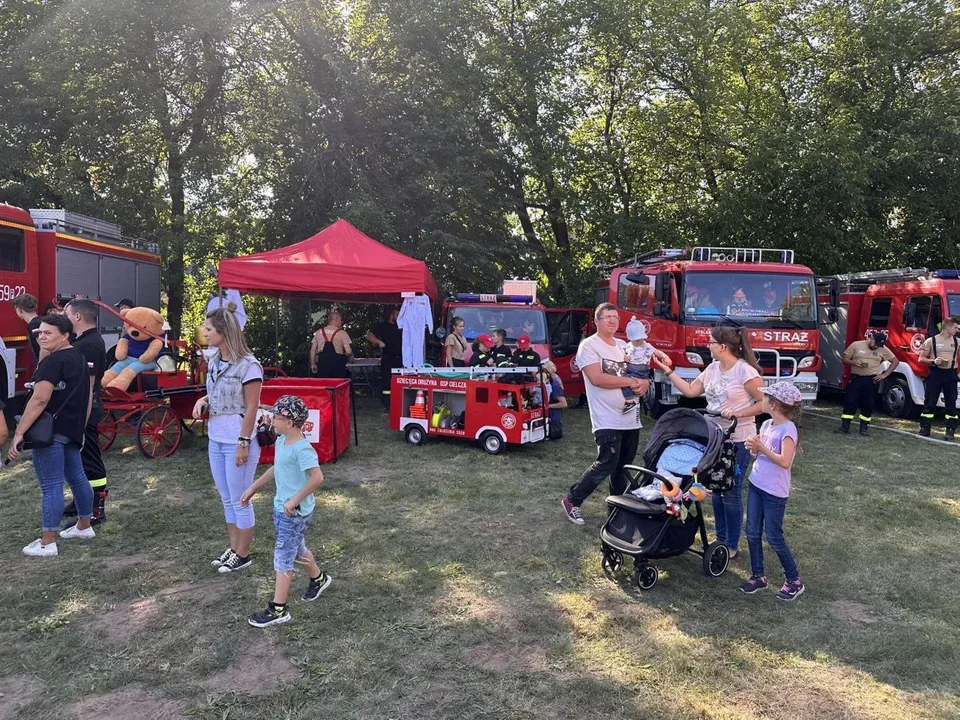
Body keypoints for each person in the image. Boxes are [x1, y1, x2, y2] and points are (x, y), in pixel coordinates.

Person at [653, 324, 764, 558]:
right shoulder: (713, 368)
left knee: (730, 492)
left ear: (723, 347)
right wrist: (669, 372)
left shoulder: (746, 372)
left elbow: (765, 403)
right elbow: (692, 391)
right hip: (713, 439)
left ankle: (731, 544)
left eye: (711, 342)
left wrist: (738, 413)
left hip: (738, 440)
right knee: (714, 488)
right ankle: (721, 539)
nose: (708, 345)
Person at [240, 395, 333, 627]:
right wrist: (253, 487)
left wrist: (293, 501)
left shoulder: (302, 449)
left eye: (278, 417)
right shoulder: (282, 441)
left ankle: (278, 609)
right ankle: (319, 579)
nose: (272, 420)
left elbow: (317, 477)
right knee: (297, 548)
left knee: (283, 557)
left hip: (294, 513)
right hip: (283, 510)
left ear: (290, 422)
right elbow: (277, 467)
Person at [7, 314, 95, 557]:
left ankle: (47, 542)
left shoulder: (54, 362)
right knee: (77, 477)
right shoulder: (78, 357)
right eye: (39, 333)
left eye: (48, 333)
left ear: (65, 334)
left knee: (51, 485)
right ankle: (84, 526)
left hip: (51, 432)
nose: (42, 337)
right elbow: (88, 395)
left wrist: (20, 433)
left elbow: (40, 398)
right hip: (71, 429)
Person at [561, 303, 650, 526]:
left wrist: (644, 383)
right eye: (607, 317)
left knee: (623, 466)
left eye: (615, 317)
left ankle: (616, 509)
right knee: (607, 463)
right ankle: (573, 500)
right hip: (606, 418)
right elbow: (597, 378)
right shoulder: (589, 346)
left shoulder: (623, 345)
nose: (612, 320)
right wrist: (631, 381)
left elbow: (640, 368)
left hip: (631, 417)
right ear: (597, 321)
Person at [192, 307, 264, 574]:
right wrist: (204, 399)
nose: (205, 333)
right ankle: (234, 548)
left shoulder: (249, 365)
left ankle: (243, 555)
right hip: (216, 438)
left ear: (224, 332)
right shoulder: (214, 361)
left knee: (240, 498)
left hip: (237, 441)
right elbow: (218, 393)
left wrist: (244, 441)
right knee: (226, 497)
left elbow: (251, 406)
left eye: (209, 329)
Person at [740, 381, 805, 601]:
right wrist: (754, 449)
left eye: (766, 397)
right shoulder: (767, 425)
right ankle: (758, 576)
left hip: (774, 492)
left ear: (775, 404)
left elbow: (785, 462)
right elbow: (761, 456)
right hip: (757, 484)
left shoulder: (788, 429)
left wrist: (762, 448)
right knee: (752, 531)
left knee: (774, 537)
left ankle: (794, 580)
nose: (763, 400)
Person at [61, 299, 109, 525]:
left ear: (77, 317)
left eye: (66, 313)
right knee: (77, 459)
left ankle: (97, 508)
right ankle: (81, 500)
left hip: (87, 409)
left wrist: (85, 413)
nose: (63, 317)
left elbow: (89, 385)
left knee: (90, 458)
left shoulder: (89, 344)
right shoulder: (82, 340)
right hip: (79, 408)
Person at [838, 330, 898, 436]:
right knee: (850, 402)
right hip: (856, 378)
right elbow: (844, 359)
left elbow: (895, 361)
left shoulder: (883, 349)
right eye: (876, 344)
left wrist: (884, 375)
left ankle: (864, 427)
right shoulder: (856, 345)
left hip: (871, 380)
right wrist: (853, 362)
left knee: (868, 404)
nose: (876, 347)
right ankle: (845, 426)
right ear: (871, 338)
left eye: (879, 345)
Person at [918, 315, 960, 440]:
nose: (957, 330)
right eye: (956, 327)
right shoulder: (931, 341)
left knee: (951, 403)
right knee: (930, 402)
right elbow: (921, 358)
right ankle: (925, 428)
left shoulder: (957, 341)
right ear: (947, 327)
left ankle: (950, 431)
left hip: (951, 374)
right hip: (935, 374)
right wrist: (933, 361)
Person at [620, 316, 672, 414]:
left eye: (641, 339)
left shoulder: (646, 346)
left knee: (627, 382)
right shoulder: (628, 346)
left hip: (642, 369)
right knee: (624, 381)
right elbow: (622, 355)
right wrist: (624, 357)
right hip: (631, 368)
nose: (639, 341)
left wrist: (665, 356)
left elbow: (657, 352)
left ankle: (631, 401)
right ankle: (632, 400)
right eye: (636, 340)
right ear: (630, 338)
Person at [366, 307, 403, 409]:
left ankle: (399, 404)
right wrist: (379, 342)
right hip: (388, 358)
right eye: (397, 314)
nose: (399, 317)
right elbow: (369, 336)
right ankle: (388, 405)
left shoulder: (402, 326)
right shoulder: (383, 326)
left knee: (401, 381)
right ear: (391, 315)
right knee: (387, 383)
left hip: (402, 359)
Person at [310, 310, 353, 379]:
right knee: (338, 386)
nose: (341, 323)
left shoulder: (319, 332)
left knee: (324, 385)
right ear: (337, 319)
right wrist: (349, 358)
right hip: (337, 366)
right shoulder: (342, 333)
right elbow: (348, 351)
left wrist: (313, 364)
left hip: (323, 365)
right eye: (341, 320)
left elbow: (313, 350)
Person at [12, 293, 42, 366]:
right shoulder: (41, 321)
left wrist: (41, 366)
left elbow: (43, 347)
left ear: (19, 309)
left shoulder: (33, 325)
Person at [542, 360, 567, 440]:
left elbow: (564, 403)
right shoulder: (548, 381)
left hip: (553, 418)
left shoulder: (554, 383)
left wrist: (547, 406)